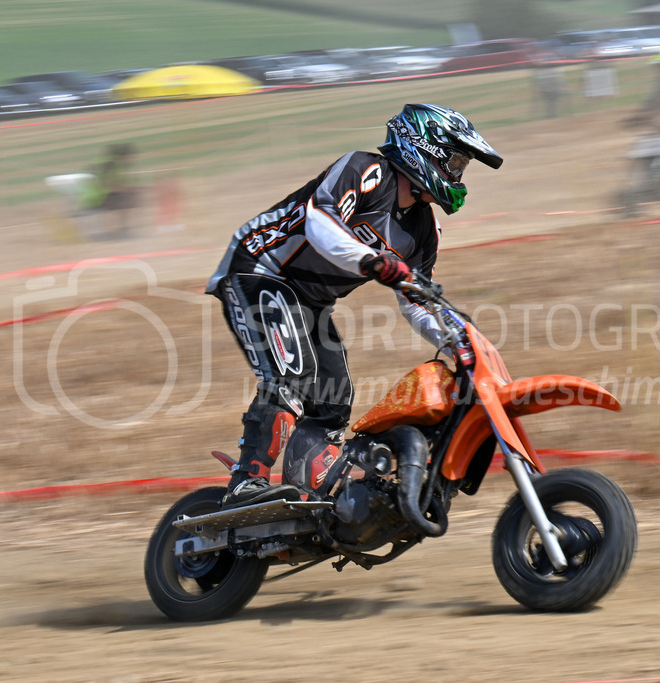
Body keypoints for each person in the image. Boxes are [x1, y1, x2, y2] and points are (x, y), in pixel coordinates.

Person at [206, 103, 503, 508]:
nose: (456, 175)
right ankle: (247, 483)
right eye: (453, 162)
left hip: (309, 300)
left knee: (333, 399)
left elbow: (417, 302)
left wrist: (460, 343)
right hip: (258, 270)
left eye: (461, 166)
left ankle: (305, 498)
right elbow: (320, 222)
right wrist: (372, 260)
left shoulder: (423, 228)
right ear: (422, 147)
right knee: (291, 377)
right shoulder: (366, 170)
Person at [78, 143, 140, 239]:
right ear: (124, 156)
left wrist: (125, 189)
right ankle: (120, 231)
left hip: (90, 196)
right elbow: (105, 185)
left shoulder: (104, 163)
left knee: (125, 197)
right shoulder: (110, 164)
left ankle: (118, 230)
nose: (130, 159)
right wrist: (125, 190)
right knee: (124, 200)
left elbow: (111, 183)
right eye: (129, 156)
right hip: (96, 198)